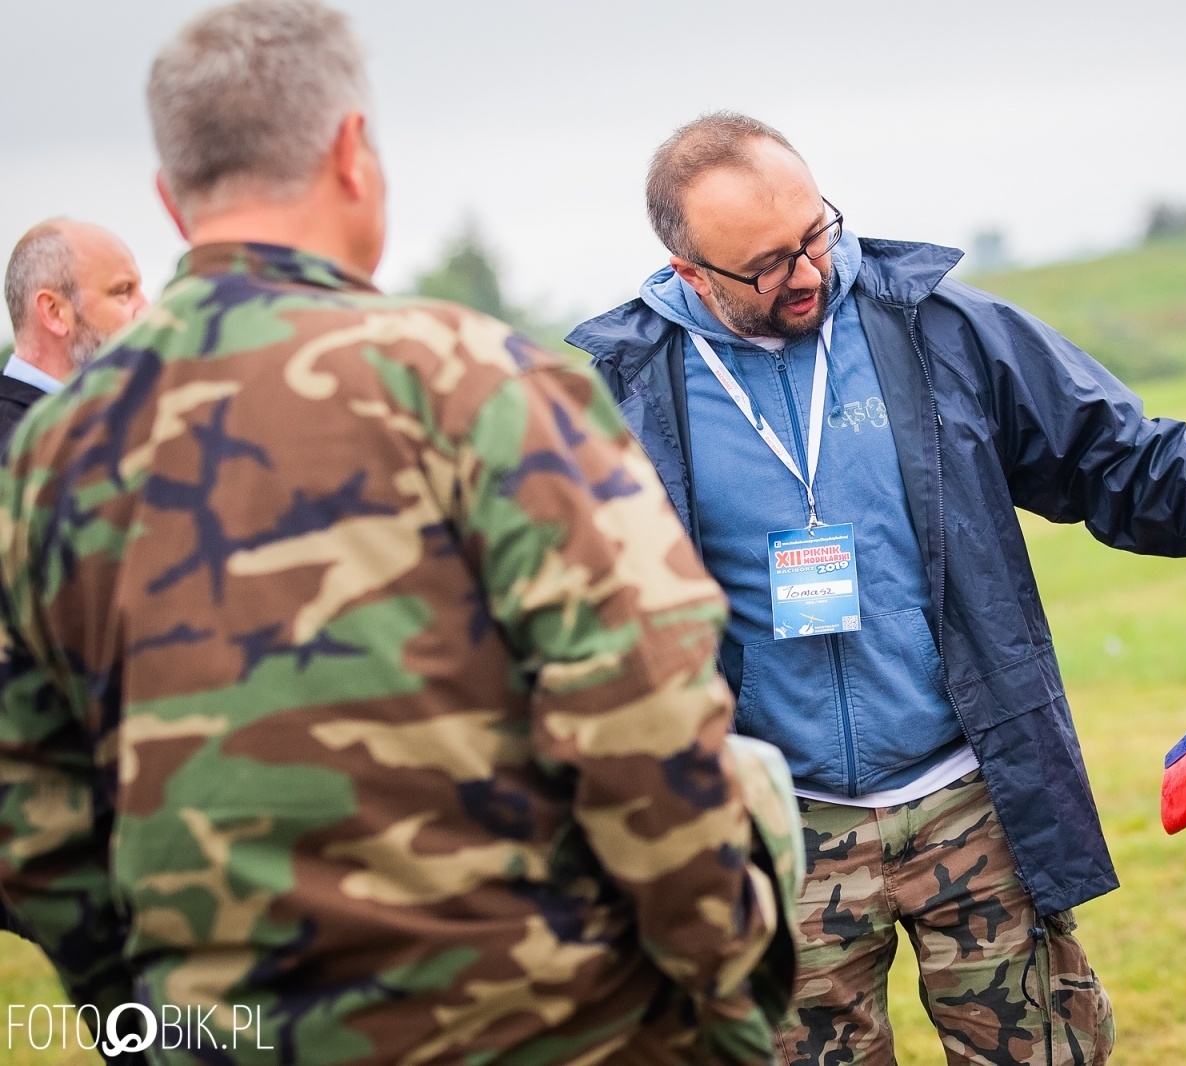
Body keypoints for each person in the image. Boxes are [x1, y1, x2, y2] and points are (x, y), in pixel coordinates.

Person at [0, 7, 797, 1064]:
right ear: (351, 153)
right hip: (549, 1026)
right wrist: (724, 997)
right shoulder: (484, 382)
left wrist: (150, 1019)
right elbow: (643, 714)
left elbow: (35, 811)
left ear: (169, 199)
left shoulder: (53, 453)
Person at [569, 112, 1186, 1066]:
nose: (811, 272)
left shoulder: (937, 327)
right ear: (689, 271)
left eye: (815, 233)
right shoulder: (616, 402)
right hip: (776, 838)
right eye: (767, 265)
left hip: (973, 799)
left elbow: (1109, 457)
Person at [0, 219, 147, 440]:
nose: (146, 310)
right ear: (54, 312)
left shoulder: (108, 419)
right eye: (123, 291)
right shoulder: (18, 446)